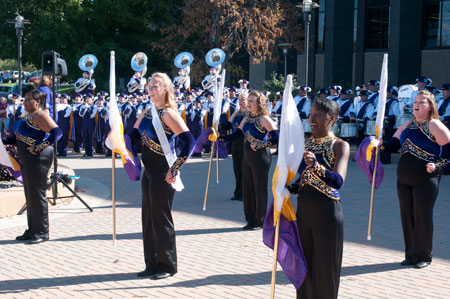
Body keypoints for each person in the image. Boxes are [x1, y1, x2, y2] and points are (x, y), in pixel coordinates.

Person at [132, 72, 195, 280]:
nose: (150, 90)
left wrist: (175, 168)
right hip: (148, 171)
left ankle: (167, 265)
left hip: (163, 172)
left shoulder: (168, 114)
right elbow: (132, 136)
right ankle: (151, 263)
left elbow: (189, 141)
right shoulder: (146, 112)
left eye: (155, 86)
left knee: (161, 219)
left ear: (165, 89)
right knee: (148, 219)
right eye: (149, 86)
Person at [380, 90, 450, 269]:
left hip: (426, 180)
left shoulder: (434, 125)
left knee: (422, 217)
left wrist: (437, 165)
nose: (416, 105)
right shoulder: (407, 125)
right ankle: (410, 254)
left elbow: (448, 150)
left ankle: (423, 255)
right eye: (415, 102)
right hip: (403, 180)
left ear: (430, 107)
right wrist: (380, 144)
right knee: (407, 217)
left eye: (422, 102)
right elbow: (393, 145)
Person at [289, 97, 350, 299]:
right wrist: (289, 188)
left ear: (331, 119)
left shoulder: (339, 145)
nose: (311, 117)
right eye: (311, 113)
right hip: (304, 213)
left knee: (325, 270)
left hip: (327, 214)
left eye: (318, 114)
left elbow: (338, 181)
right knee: (304, 266)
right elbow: (304, 178)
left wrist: (317, 166)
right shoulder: (307, 144)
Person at [3, 89, 62, 244]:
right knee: (30, 195)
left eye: (28, 100)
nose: (25, 102)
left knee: (37, 194)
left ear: (37, 102)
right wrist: (5, 141)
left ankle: (42, 232)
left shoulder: (40, 115)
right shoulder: (26, 117)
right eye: (25, 100)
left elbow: (57, 133)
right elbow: (19, 139)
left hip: (39, 158)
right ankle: (32, 230)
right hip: (27, 159)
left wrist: (38, 147)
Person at [221, 90, 278, 230]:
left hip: (261, 157)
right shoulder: (247, 117)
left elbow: (276, 138)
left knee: (259, 189)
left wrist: (260, 144)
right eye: (249, 100)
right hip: (247, 156)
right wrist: (221, 137)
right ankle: (251, 220)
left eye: (252, 101)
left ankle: (260, 220)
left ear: (260, 103)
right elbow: (237, 134)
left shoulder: (265, 119)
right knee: (248, 189)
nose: (249, 103)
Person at [220, 92, 248, 201]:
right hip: (235, 143)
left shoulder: (248, 114)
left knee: (243, 169)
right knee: (237, 168)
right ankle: (237, 192)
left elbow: (240, 131)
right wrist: (219, 125)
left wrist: (225, 137)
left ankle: (244, 193)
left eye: (243, 99)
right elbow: (228, 125)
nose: (241, 102)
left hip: (243, 142)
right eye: (239, 99)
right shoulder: (236, 112)